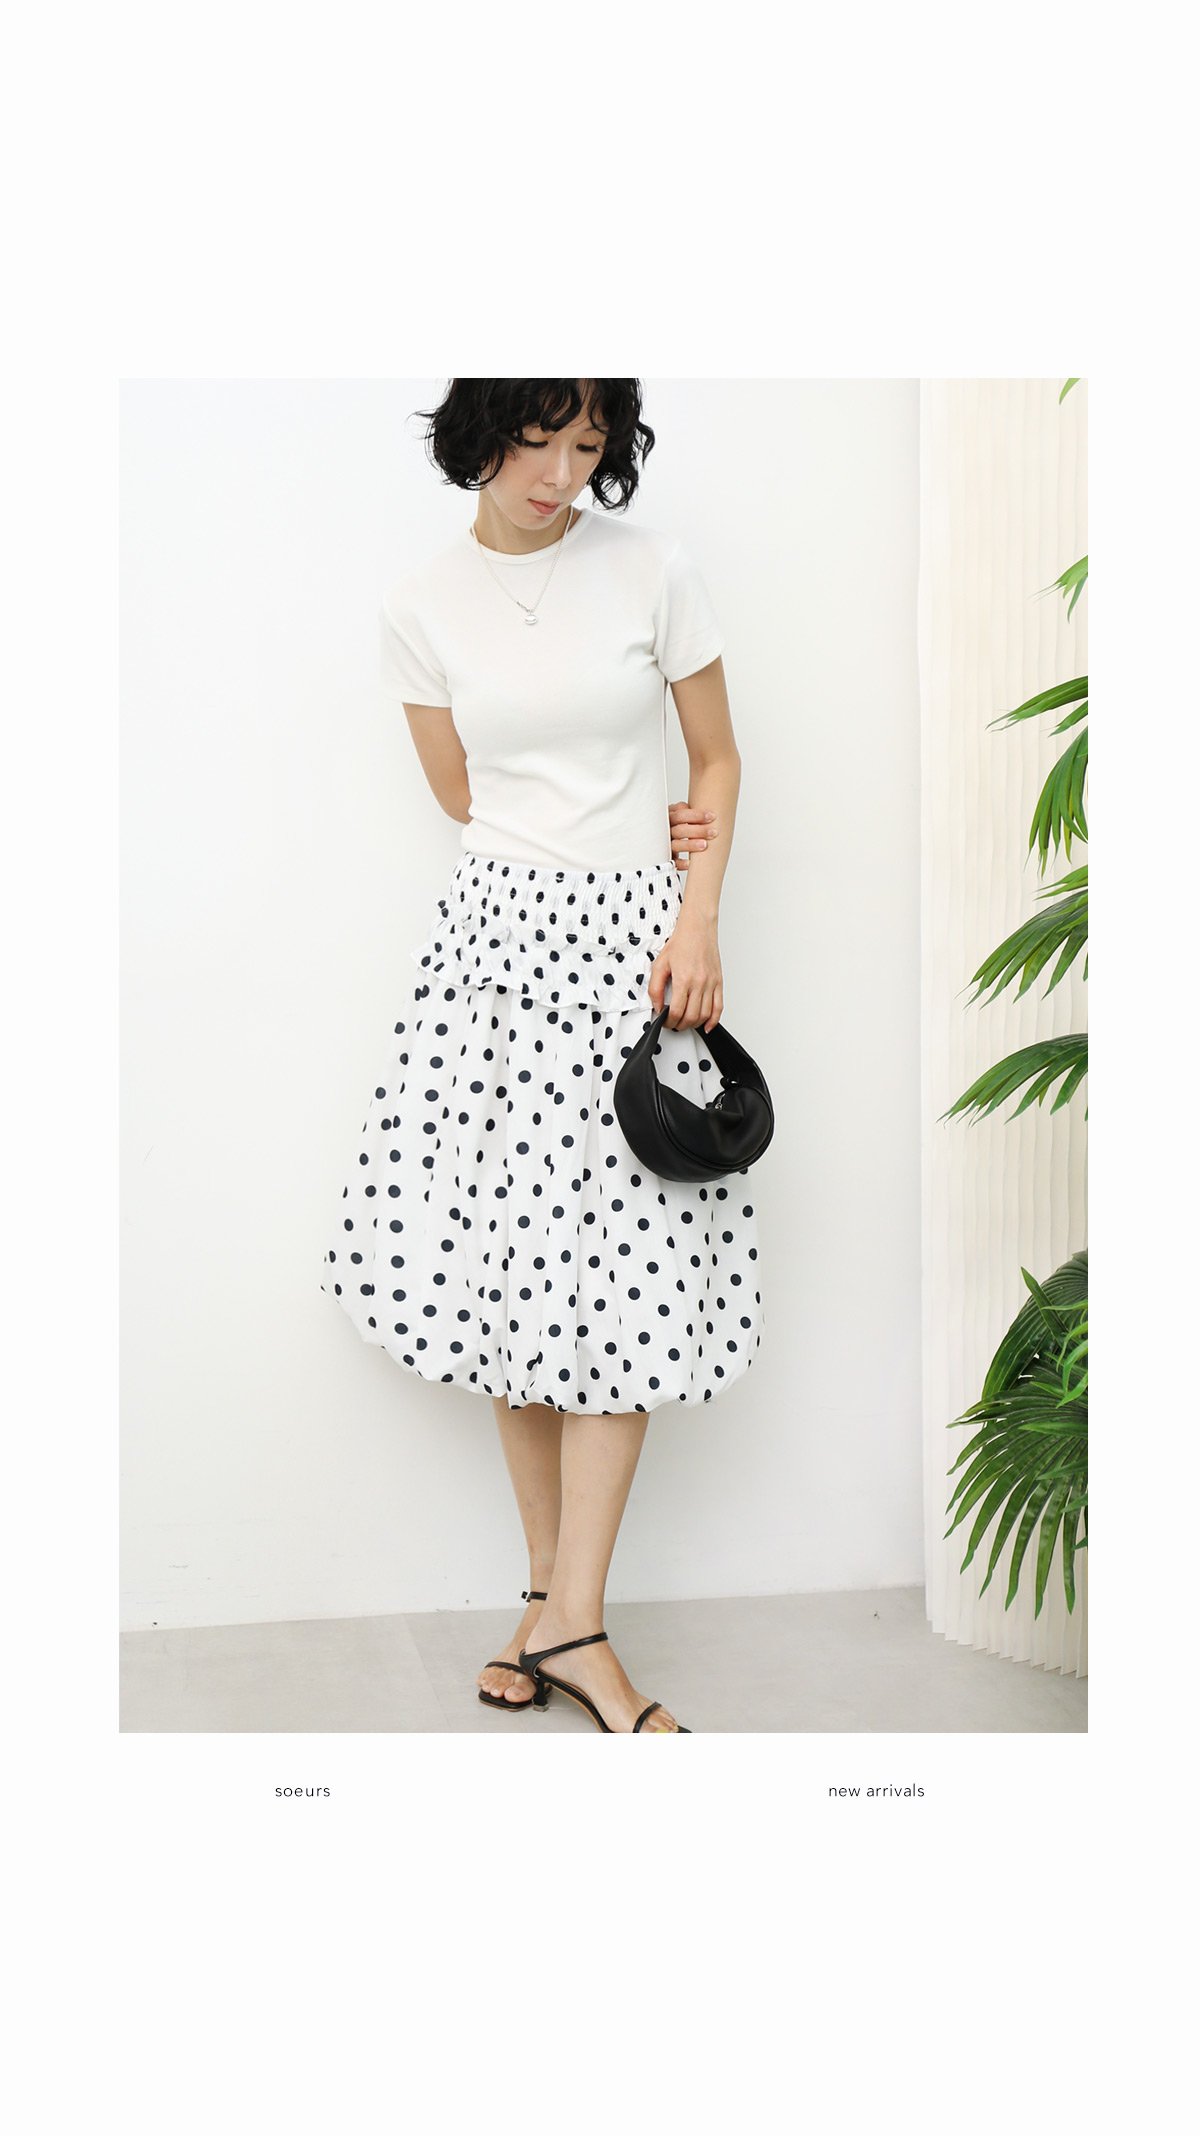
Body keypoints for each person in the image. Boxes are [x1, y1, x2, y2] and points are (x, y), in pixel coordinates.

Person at [319, 378, 764, 1732]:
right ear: (481, 433)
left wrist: (695, 915)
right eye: (536, 439)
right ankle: (553, 1605)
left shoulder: (652, 569)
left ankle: (575, 1620)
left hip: (635, 951)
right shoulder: (420, 607)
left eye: (586, 445)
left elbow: (716, 760)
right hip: (495, 958)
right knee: (516, 1279)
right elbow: (466, 793)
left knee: (630, 1282)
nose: (560, 472)